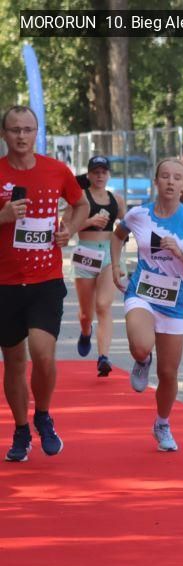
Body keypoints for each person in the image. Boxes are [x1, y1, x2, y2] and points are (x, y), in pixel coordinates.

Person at [1, 105, 88, 462]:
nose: (21, 136)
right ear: (4, 134)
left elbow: (81, 205)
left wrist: (70, 228)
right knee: (14, 362)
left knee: (42, 353)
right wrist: (3, 216)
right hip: (5, 284)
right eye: (14, 129)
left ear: (37, 133)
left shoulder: (55, 170)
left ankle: (43, 414)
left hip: (45, 280)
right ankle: (21, 430)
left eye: (28, 129)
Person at [110, 158, 183, 451]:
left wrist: (181, 255)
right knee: (141, 346)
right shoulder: (139, 214)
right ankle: (142, 360)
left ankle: (162, 423)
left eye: (177, 178)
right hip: (141, 292)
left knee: (168, 373)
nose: (170, 181)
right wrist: (116, 265)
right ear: (156, 181)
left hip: (174, 302)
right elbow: (118, 236)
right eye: (165, 176)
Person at [72, 155, 127, 377]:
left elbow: (127, 225)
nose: (100, 176)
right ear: (89, 174)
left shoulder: (117, 200)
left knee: (103, 305)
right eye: (96, 172)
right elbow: (66, 226)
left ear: (109, 174)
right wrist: (89, 221)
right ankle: (86, 331)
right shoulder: (80, 198)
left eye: (104, 172)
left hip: (109, 255)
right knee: (86, 313)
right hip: (86, 252)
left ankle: (103, 357)